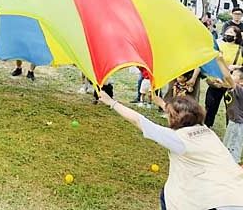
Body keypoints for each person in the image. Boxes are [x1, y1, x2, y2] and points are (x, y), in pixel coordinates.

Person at [97, 90, 243, 210]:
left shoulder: (179, 139)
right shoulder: (205, 130)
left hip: (217, 202)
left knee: (169, 196)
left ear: (174, 118)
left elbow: (139, 120)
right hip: (236, 194)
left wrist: (112, 102)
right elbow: (179, 110)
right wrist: (159, 100)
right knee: (167, 193)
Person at [205, 25, 243, 127]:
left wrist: (237, 66)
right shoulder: (218, 45)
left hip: (231, 82)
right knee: (210, 105)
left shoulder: (240, 49)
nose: (228, 36)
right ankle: (207, 125)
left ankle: (231, 126)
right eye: (226, 34)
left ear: (236, 37)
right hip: (216, 80)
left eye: (231, 34)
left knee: (231, 108)